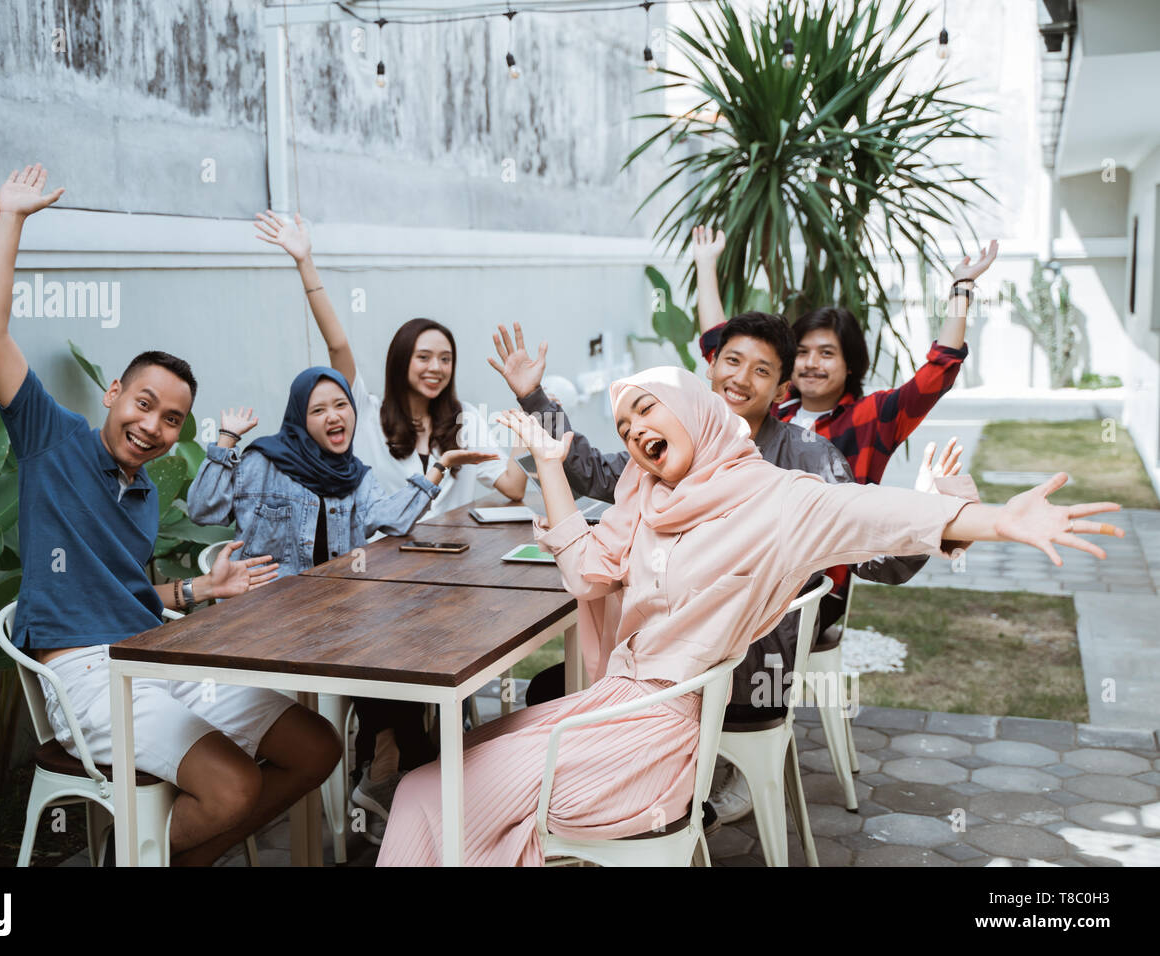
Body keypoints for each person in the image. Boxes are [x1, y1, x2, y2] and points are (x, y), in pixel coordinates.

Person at [377, 365, 1123, 866]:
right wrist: (547, 466)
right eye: (623, 421)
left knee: (421, 792)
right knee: (442, 765)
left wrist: (996, 518)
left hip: (652, 738)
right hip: (610, 706)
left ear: (697, 413)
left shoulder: (772, 500)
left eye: (646, 409)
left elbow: (870, 512)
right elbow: (587, 573)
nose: (633, 429)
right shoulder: (648, 493)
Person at [0, 164, 340, 866]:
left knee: (315, 746)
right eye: (144, 404)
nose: (154, 426)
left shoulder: (142, 493)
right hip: (88, 679)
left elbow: (127, 594)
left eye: (172, 419)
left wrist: (201, 592)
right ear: (113, 394)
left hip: (156, 657)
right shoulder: (53, 441)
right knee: (230, 791)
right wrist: (10, 216)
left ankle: (160, 855)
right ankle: (139, 859)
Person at [488, 318, 954, 825]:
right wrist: (535, 397)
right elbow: (589, 470)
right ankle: (602, 795)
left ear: (781, 388)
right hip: (663, 658)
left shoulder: (805, 458)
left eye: (761, 370)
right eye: (732, 361)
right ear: (709, 369)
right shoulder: (668, 444)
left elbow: (879, 558)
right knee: (554, 689)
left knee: (576, 693)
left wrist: (930, 514)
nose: (741, 378)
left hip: (752, 653)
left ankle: (656, 790)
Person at [186, 366, 494, 841]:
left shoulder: (354, 476)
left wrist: (438, 468)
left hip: (333, 620)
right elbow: (205, 510)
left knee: (403, 639)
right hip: (265, 618)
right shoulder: (262, 460)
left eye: (342, 405)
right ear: (299, 417)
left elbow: (390, 520)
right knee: (381, 646)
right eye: (318, 408)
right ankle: (398, 774)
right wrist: (225, 440)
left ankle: (390, 768)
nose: (334, 416)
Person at [254, 210, 526, 516]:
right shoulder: (365, 413)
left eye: (445, 359)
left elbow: (514, 488)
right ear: (400, 361)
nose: (436, 368)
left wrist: (524, 430)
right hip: (385, 557)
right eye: (423, 357)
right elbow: (337, 345)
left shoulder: (466, 419)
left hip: (453, 556)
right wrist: (305, 262)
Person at [691, 224, 998, 485]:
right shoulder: (770, 407)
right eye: (802, 352)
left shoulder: (873, 416)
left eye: (826, 353)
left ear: (849, 364)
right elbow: (722, 347)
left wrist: (961, 288)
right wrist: (705, 264)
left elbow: (938, 371)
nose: (811, 363)